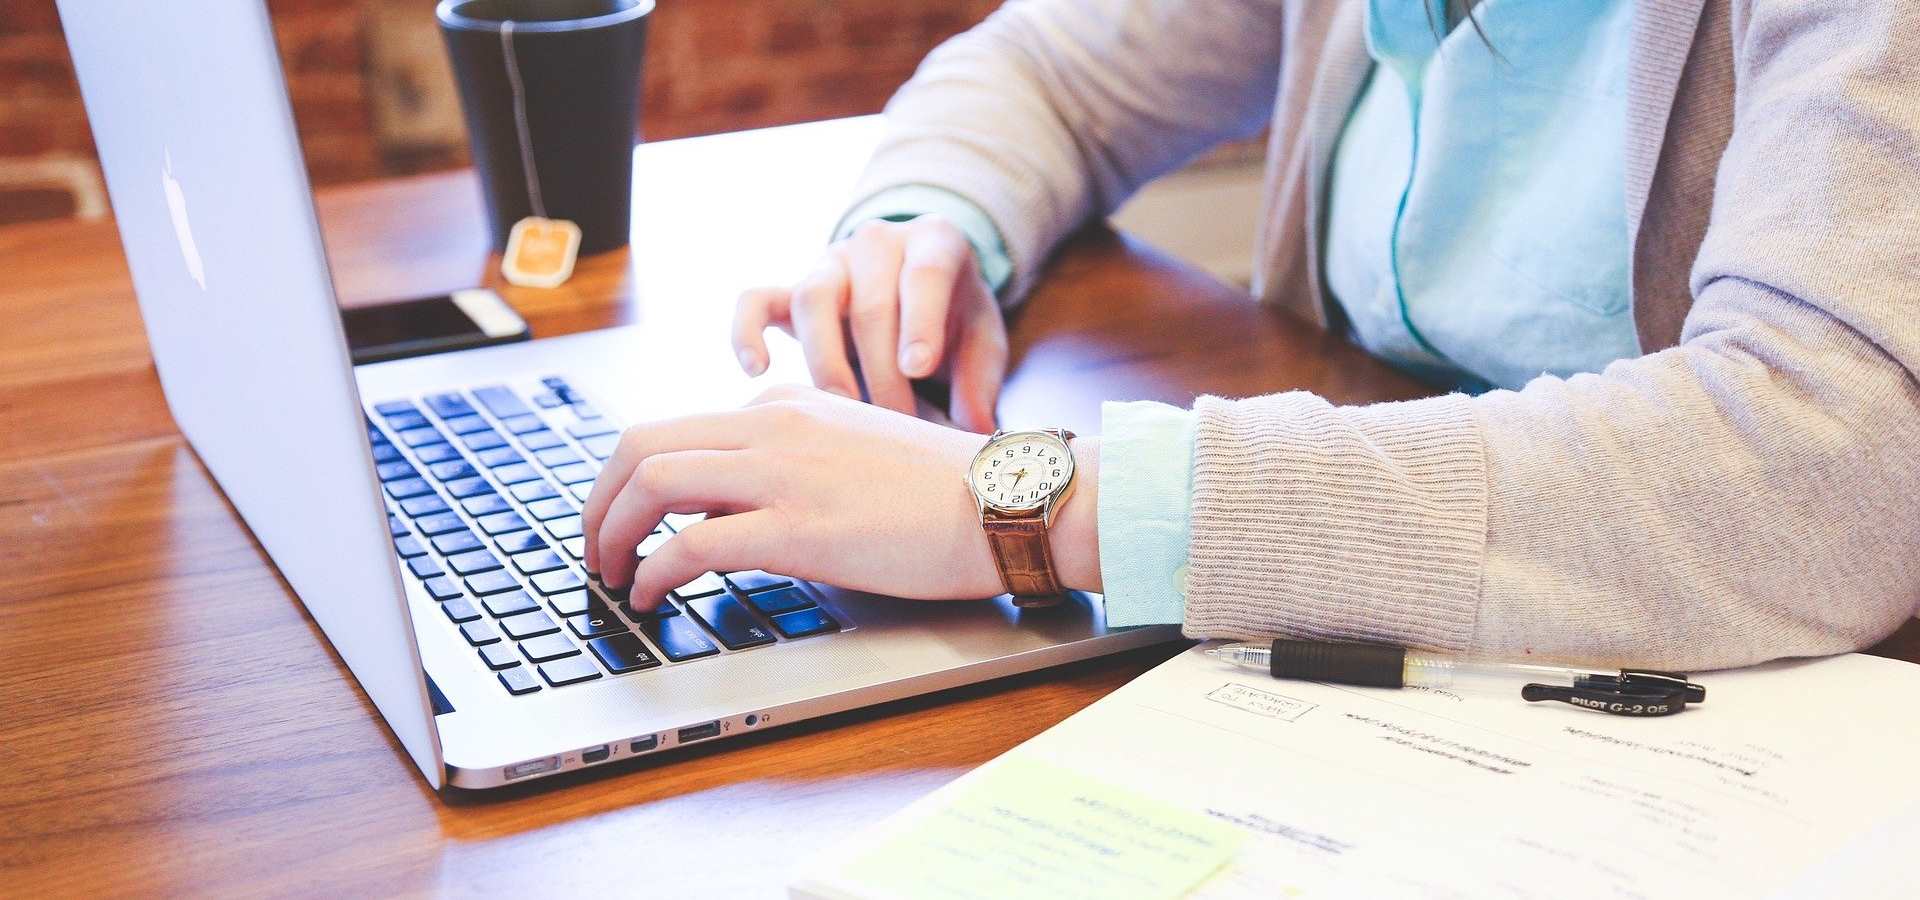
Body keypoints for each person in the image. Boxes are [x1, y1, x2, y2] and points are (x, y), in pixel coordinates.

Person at [582, 0, 1920, 670]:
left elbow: (1835, 458)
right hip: (1391, 663)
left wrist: (1036, 506)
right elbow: (1047, 66)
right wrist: (924, 229)